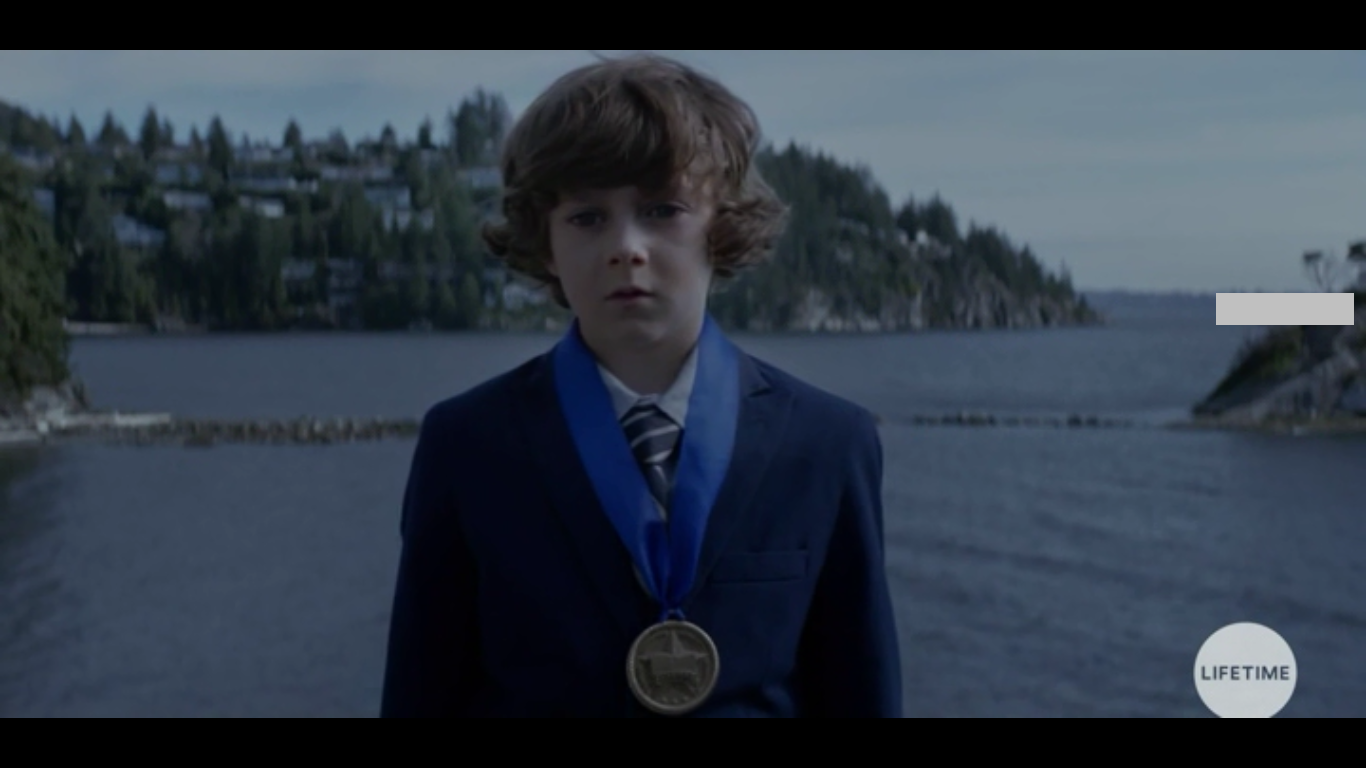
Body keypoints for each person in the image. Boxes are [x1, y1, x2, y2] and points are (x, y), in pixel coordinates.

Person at [379, 52, 902, 717]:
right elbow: (421, 695)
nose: (626, 247)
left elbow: (862, 691)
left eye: (661, 209)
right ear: (545, 243)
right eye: (587, 217)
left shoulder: (828, 443)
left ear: (722, 226)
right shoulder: (466, 445)